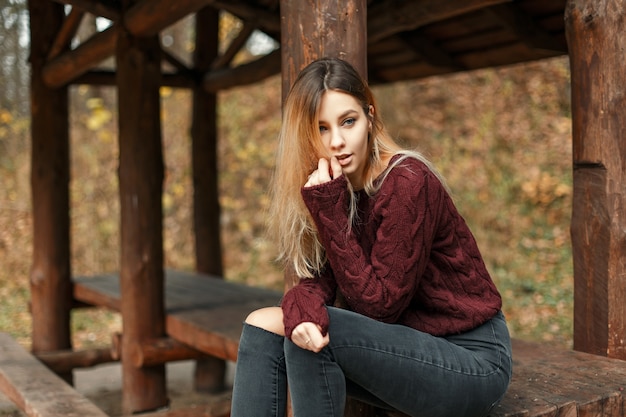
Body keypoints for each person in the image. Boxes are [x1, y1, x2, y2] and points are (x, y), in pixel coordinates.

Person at [230, 57, 512, 417]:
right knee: (264, 323)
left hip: (472, 360)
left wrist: (329, 212)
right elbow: (319, 281)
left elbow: (381, 306)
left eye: (348, 122)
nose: (338, 141)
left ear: (370, 117)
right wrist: (300, 307)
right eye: (322, 129)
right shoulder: (336, 187)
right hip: (410, 351)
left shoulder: (408, 182)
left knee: (315, 335)